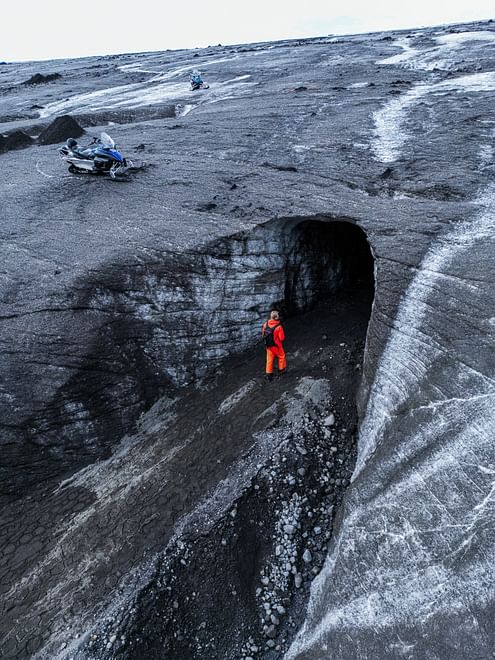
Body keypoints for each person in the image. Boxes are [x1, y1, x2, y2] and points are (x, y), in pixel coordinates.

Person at [261, 310, 286, 381]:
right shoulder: (279, 327)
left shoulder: (265, 324)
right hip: (276, 345)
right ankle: (281, 370)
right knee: (281, 356)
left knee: (269, 359)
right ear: (277, 317)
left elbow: (263, 334)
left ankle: (269, 374)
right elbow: (282, 338)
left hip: (268, 345)